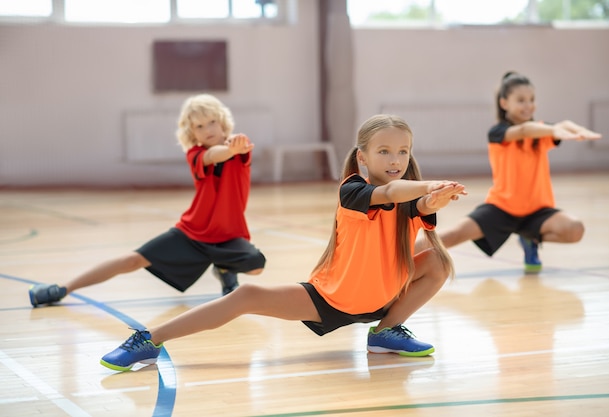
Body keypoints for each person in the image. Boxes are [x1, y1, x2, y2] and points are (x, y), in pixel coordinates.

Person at [99, 114, 468, 372]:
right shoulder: (353, 189)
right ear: (363, 157)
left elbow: (419, 205)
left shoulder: (409, 196)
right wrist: (428, 186)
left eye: (403, 151)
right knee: (246, 297)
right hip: (332, 299)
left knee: (437, 261)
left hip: (383, 297)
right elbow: (389, 191)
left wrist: (433, 199)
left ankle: (386, 331)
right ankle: (149, 338)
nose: (395, 159)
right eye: (384, 151)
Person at [28, 94, 266, 307]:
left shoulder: (241, 150)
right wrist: (230, 149)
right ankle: (62, 288)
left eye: (212, 121)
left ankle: (224, 268)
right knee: (133, 260)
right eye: (199, 126)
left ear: (222, 122)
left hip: (229, 236)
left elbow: (234, 148)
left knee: (256, 265)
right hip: (193, 233)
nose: (207, 129)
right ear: (192, 133)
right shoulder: (196, 155)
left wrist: (236, 145)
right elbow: (215, 155)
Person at [415, 71, 601, 273]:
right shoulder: (498, 133)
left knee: (575, 230)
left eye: (531, 100)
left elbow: (562, 124)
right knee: (451, 236)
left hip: (537, 212)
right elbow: (524, 131)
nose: (528, 105)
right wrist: (555, 131)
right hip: (501, 209)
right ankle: (399, 257)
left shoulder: (541, 133)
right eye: (521, 100)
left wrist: (576, 130)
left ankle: (530, 238)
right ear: (504, 103)